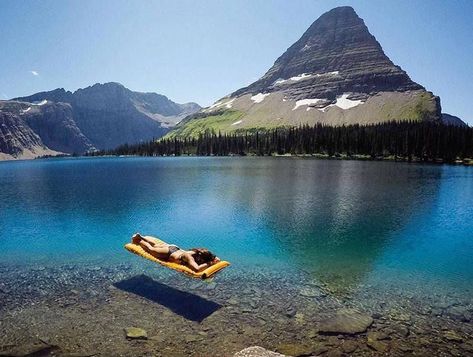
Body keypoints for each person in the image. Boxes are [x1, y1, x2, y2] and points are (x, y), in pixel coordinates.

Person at [132, 233, 220, 271]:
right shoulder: (189, 257)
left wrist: (213, 260)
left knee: (155, 245)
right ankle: (139, 240)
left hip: (174, 248)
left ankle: (142, 237)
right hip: (168, 253)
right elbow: (196, 269)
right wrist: (210, 263)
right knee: (151, 249)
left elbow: (217, 258)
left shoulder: (200, 252)